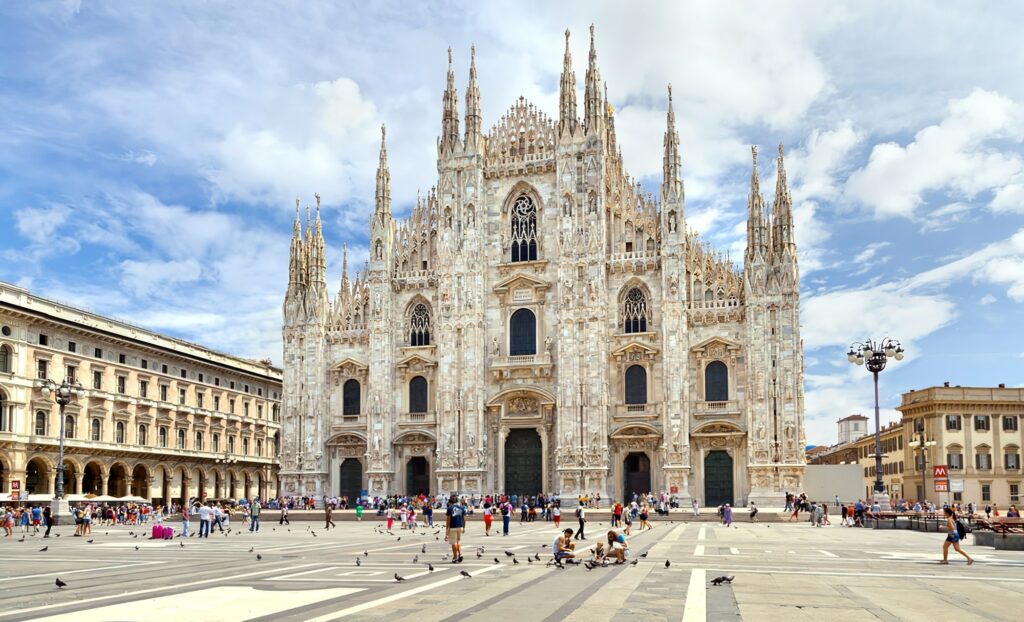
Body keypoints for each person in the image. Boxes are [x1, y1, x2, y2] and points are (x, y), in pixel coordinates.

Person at [445, 495, 465, 563]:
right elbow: (464, 519)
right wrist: (464, 527)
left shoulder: (450, 508)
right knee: (458, 542)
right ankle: (460, 554)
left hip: (452, 527)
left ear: (450, 501)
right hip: (460, 527)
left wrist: (447, 528)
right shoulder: (461, 507)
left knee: (453, 543)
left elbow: (448, 519)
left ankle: (455, 557)